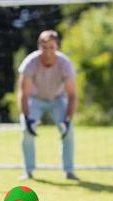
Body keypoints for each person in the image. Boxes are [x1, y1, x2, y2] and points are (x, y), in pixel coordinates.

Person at [18, 30, 78, 181]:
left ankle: (69, 171)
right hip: (35, 99)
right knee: (26, 130)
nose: (48, 51)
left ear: (57, 46)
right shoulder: (30, 63)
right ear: (39, 47)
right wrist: (27, 118)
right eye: (44, 47)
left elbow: (72, 95)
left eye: (51, 47)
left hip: (58, 99)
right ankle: (28, 171)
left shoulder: (65, 64)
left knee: (68, 131)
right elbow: (23, 93)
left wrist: (67, 119)